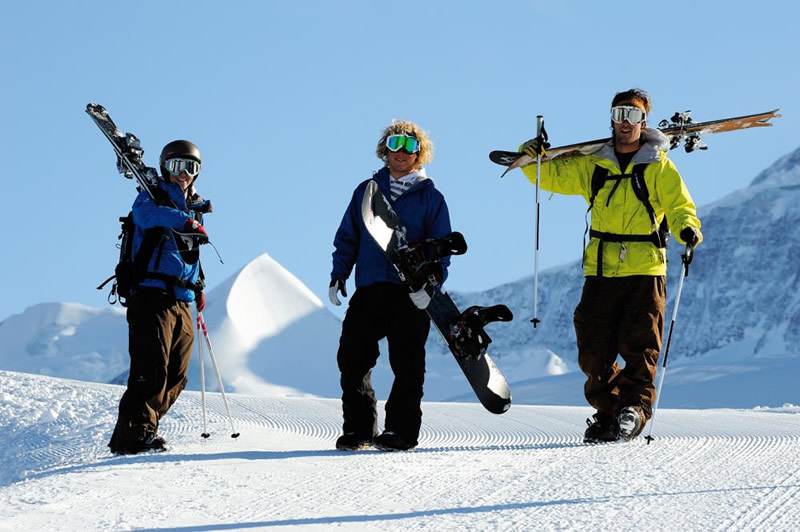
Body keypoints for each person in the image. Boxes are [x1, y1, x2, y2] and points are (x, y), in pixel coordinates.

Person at [519, 89, 702, 443]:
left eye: (632, 116)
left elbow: (680, 205)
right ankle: (610, 411)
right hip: (601, 271)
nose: (624, 123)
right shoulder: (594, 165)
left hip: (645, 271)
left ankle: (633, 410)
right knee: (593, 351)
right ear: (611, 119)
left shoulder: (659, 166)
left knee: (640, 347)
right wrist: (533, 159)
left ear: (643, 123)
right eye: (619, 114)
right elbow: (551, 175)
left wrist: (687, 229)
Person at [329, 120, 452, 451]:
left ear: (419, 153)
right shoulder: (367, 191)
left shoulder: (431, 199)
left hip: (409, 293)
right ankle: (359, 430)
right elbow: (348, 236)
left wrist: (431, 282)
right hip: (370, 287)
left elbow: (441, 248)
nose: (401, 151)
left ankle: (400, 431)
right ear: (385, 149)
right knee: (352, 359)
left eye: (410, 146)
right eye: (395, 143)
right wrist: (339, 273)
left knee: (408, 365)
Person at [108, 140, 211, 455]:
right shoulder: (150, 198)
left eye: (191, 168)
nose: (184, 174)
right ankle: (134, 433)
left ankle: (143, 428)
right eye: (177, 166)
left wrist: (199, 285)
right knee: (152, 366)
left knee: (178, 373)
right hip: (151, 294)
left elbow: (189, 255)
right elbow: (148, 217)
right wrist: (183, 220)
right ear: (165, 167)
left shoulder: (195, 207)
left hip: (182, 297)